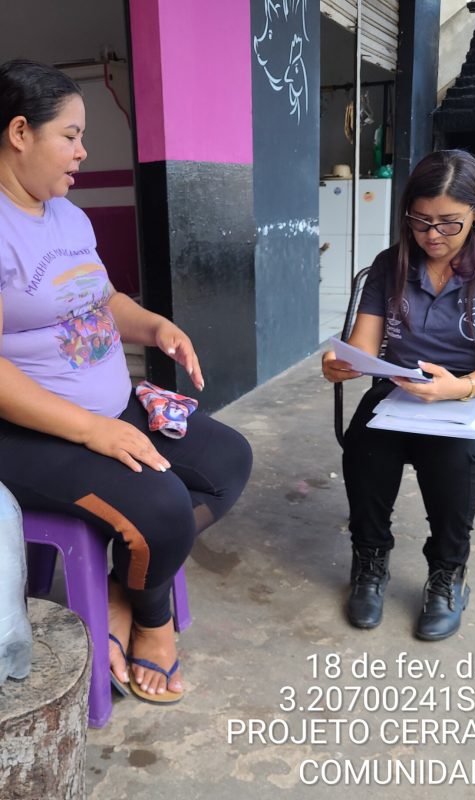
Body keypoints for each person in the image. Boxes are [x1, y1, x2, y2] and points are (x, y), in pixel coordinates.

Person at [0, 59, 252, 702]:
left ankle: (121, 589)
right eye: (72, 136)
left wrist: (155, 327)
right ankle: (154, 618)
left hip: (113, 411)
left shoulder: (65, 214)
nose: (84, 153)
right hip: (33, 433)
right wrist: (94, 430)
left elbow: (105, 298)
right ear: (20, 132)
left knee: (227, 458)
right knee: (165, 508)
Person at [322, 150, 475, 641]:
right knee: (366, 442)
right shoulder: (389, 265)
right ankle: (370, 560)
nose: (432, 236)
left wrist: (457, 388)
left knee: (452, 450)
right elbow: (363, 346)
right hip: (404, 391)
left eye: (448, 224)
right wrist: (344, 364)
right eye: (420, 222)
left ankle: (447, 574)